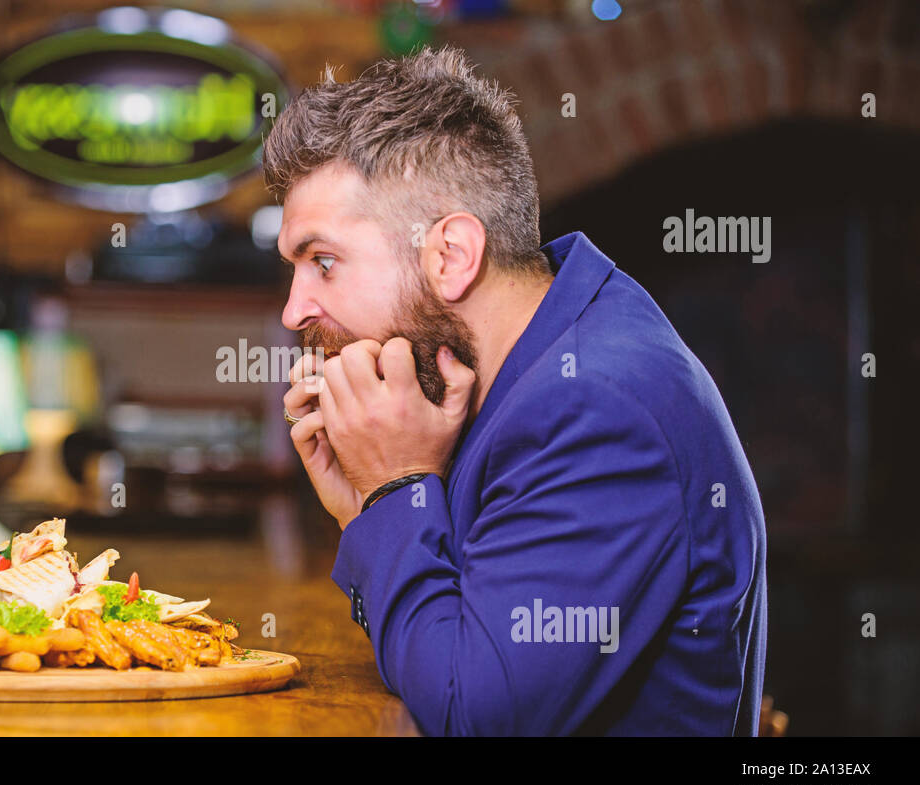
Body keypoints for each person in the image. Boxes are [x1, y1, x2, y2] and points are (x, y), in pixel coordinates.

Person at [268, 47, 767, 736]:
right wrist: (365, 513)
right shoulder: (518, 366)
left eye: (323, 261)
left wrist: (394, 488)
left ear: (450, 256)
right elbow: (435, 655)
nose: (295, 311)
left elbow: (470, 714)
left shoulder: (597, 407)